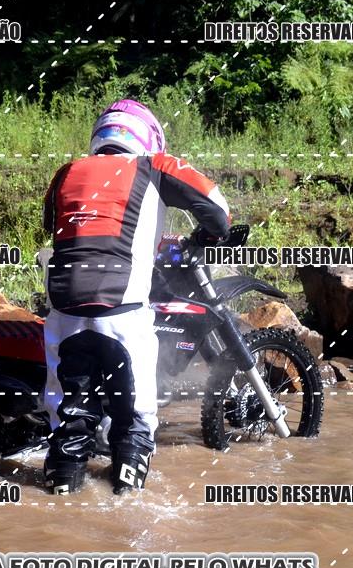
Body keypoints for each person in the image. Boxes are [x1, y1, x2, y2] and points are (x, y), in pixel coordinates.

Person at [41, 99, 231, 495]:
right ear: (149, 138)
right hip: (122, 311)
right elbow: (217, 211)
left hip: (64, 313)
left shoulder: (65, 173)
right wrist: (210, 236)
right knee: (134, 417)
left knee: (70, 421)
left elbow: (52, 226)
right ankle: (128, 507)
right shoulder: (154, 165)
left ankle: (62, 497)